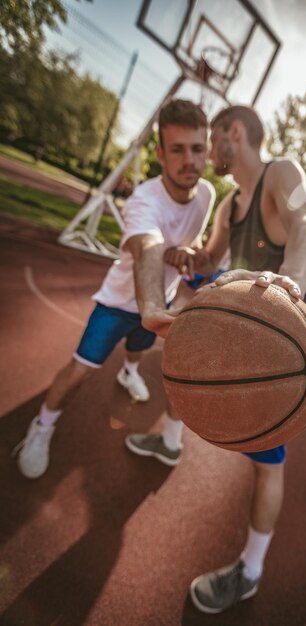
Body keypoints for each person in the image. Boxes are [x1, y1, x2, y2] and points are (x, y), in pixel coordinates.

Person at [141, 105, 306, 613]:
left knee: (267, 465)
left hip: (281, 359)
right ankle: (171, 439)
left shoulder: (281, 173)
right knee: (185, 359)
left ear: (233, 133)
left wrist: (290, 281)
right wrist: (186, 256)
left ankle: (251, 571)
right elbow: (210, 260)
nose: (206, 150)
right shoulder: (228, 205)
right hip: (243, 338)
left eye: (212, 138)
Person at [14, 98, 215, 480]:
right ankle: (41, 428)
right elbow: (148, 249)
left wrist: (189, 252)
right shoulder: (143, 200)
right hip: (121, 301)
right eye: (177, 149)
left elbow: (186, 241)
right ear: (159, 154)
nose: (189, 159)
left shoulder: (206, 194)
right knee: (79, 371)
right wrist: (153, 308)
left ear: (207, 148)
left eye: (197, 148)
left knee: (138, 349)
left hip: (160, 301)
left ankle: (128, 372)